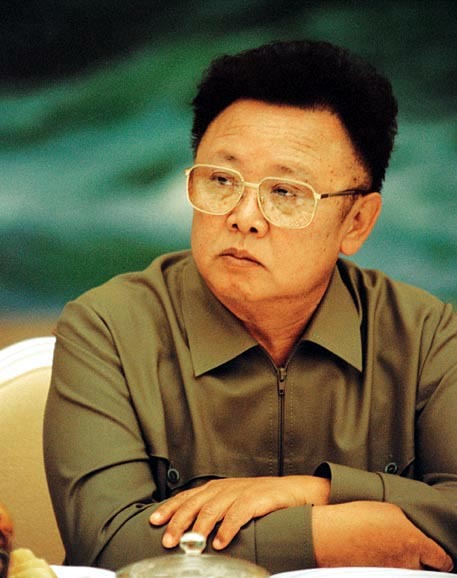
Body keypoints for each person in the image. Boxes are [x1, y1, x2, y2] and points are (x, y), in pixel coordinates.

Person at [43, 40, 457, 575]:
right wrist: (345, 532)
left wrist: (317, 490)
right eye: (222, 180)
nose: (244, 216)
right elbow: (108, 546)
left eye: (285, 192)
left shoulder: (426, 336)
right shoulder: (107, 328)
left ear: (357, 222)